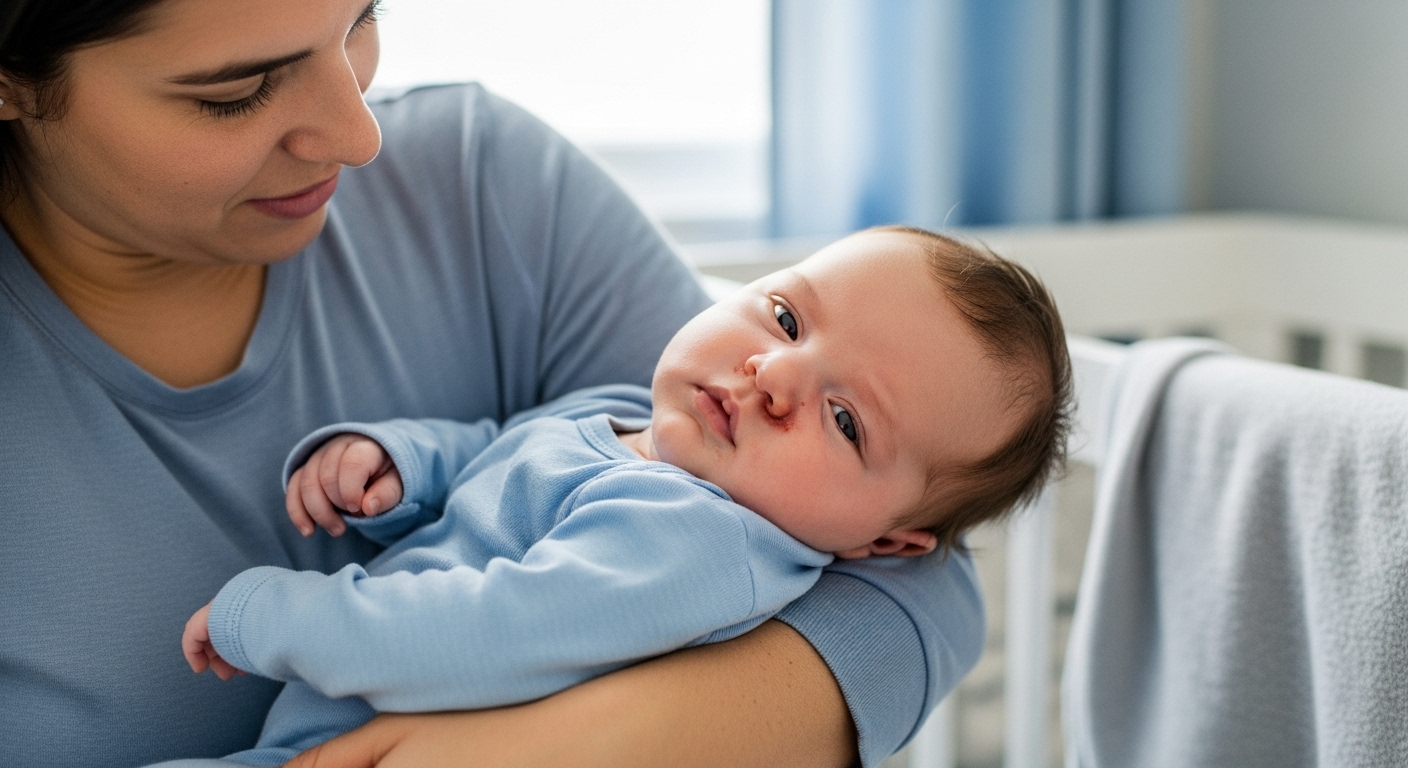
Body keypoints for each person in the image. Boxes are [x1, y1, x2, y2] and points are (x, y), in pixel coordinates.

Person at [0, 1, 990, 766]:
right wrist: (407, 463)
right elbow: (517, 450)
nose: (356, 135)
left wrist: (550, 749)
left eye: (362, 21)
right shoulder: (657, 417)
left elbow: (919, 590)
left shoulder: (482, 189)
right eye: (236, 92)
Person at [179, 227, 1073, 765]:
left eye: (845, 421)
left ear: (886, 545)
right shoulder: (626, 420)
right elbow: (500, 458)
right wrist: (404, 469)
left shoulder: (700, 544)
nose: (774, 374)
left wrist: (278, 616)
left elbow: (492, 630)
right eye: (788, 318)